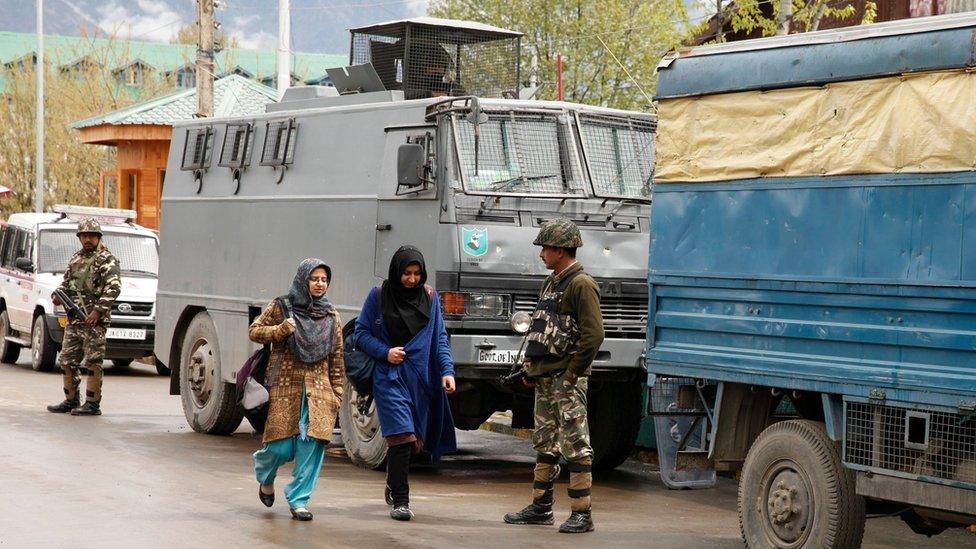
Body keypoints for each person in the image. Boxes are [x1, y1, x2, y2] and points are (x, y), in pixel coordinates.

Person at [504, 218, 604, 534]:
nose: (541, 254)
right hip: (547, 379)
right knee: (545, 442)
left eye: (545, 248)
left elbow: (593, 335)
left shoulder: (581, 284)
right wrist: (533, 369)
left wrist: (573, 374)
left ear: (560, 250)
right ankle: (540, 507)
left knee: (575, 442)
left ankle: (581, 513)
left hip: (566, 380)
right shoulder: (553, 281)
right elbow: (542, 330)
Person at [355, 245, 457, 521]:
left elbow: (439, 339)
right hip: (389, 378)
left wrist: (447, 371)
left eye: (416, 273)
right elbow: (360, 334)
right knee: (401, 436)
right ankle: (401, 500)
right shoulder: (378, 296)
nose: (411, 279)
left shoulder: (430, 296)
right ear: (396, 272)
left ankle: (392, 481)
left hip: (421, 380)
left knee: (415, 441)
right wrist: (384, 352)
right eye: (406, 274)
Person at [248, 259, 344, 521]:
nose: (320, 284)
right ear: (304, 279)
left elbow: (337, 356)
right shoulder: (282, 306)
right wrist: (279, 331)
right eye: (314, 279)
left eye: (324, 279)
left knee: (311, 448)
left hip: (320, 391)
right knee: (279, 447)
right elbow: (254, 331)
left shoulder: (331, 315)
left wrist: (337, 393)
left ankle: (299, 500)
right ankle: (265, 477)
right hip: (286, 387)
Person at [47, 217, 121, 416]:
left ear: (98, 237)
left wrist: (98, 311)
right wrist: (57, 296)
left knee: (93, 361)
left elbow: (113, 288)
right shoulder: (76, 258)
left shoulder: (107, 259)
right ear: (79, 237)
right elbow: (66, 283)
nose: (88, 239)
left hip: (94, 321)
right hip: (75, 319)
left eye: (92, 236)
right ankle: (71, 400)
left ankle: (92, 403)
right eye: (84, 236)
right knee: (66, 360)